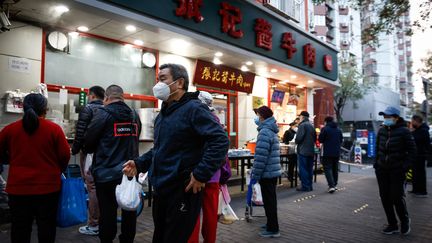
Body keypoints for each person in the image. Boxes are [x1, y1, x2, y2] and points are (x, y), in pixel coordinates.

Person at [122, 63, 229, 243]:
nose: (158, 84)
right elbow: (160, 149)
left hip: (182, 189)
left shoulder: (194, 109)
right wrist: (139, 163)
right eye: (158, 79)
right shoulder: (163, 114)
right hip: (162, 188)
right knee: (161, 236)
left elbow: (220, 140)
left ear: (179, 83)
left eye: (163, 79)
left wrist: (201, 174)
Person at [0, 93, 70, 243]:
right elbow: (65, 155)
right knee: (47, 228)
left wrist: (10, 159)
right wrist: (58, 170)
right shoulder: (54, 129)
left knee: (20, 228)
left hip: (18, 189)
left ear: (23, 108)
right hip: (48, 188)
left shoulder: (10, 130)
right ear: (44, 109)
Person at [83, 85, 141, 243]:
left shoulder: (102, 114)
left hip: (106, 173)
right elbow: (136, 138)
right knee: (129, 210)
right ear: (123, 98)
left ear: (107, 98)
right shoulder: (134, 115)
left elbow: (88, 143)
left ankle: (107, 240)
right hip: (129, 172)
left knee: (107, 213)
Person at [188, 91, 232, 243]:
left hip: (195, 175)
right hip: (214, 175)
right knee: (211, 214)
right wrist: (224, 174)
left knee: (192, 214)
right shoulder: (217, 121)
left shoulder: (194, 118)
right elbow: (222, 151)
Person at [375, 106, 416, 235]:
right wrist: (377, 164)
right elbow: (377, 148)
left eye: (388, 117)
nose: (386, 119)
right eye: (384, 117)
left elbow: (413, 151)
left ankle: (404, 221)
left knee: (396, 197)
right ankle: (392, 224)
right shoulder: (381, 130)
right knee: (385, 198)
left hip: (397, 170)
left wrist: (404, 167)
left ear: (396, 118)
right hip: (382, 170)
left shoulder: (404, 131)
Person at [71, 85, 105, 236]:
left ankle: (94, 223)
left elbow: (80, 131)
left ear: (91, 95)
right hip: (105, 154)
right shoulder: (107, 109)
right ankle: (103, 220)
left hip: (90, 154)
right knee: (102, 186)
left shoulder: (88, 109)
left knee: (92, 186)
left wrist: (75, 149)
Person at [251, 106, 281, 238]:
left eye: (257, 115)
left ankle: (273, 229)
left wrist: (255, 175)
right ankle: (270, 224)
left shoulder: (264, 132)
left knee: (269, 202)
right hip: (271, 172)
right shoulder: (270, 130)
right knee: (270, 201)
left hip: (267, 173)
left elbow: (261, 157)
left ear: (262, 116)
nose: (256, 118)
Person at [318, 116, 343, 193]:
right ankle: (334, 185)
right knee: (335, 169)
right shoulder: (339, 129)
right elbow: (341, 140)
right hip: (336, 152)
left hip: (327, 152)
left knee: (327, 168)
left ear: (326, 122)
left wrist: (321, 132)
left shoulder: (325, 129)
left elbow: (320, 140)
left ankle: (331, 186)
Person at [295, 111, 316, 192]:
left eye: (300, 116)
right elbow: (314, 138)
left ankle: (305, 186)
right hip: (311, 150)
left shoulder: (302, 125)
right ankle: (309, 186)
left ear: (302, 117)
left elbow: (298, 138)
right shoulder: (311, 125)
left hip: (303, 150)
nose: (299, 118)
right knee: (309, 169)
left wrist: (296, 141)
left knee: (303, 169)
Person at [410, 114, 430, 197]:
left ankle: (422, 191)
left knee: (420, 174)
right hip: (415, 155)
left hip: (420, 155)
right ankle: (415, 189)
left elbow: (425, 143)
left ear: (417, 121)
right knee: (414, 173)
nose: (411, 122)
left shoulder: (423, 130)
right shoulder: (417, 129)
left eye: (412, 121)